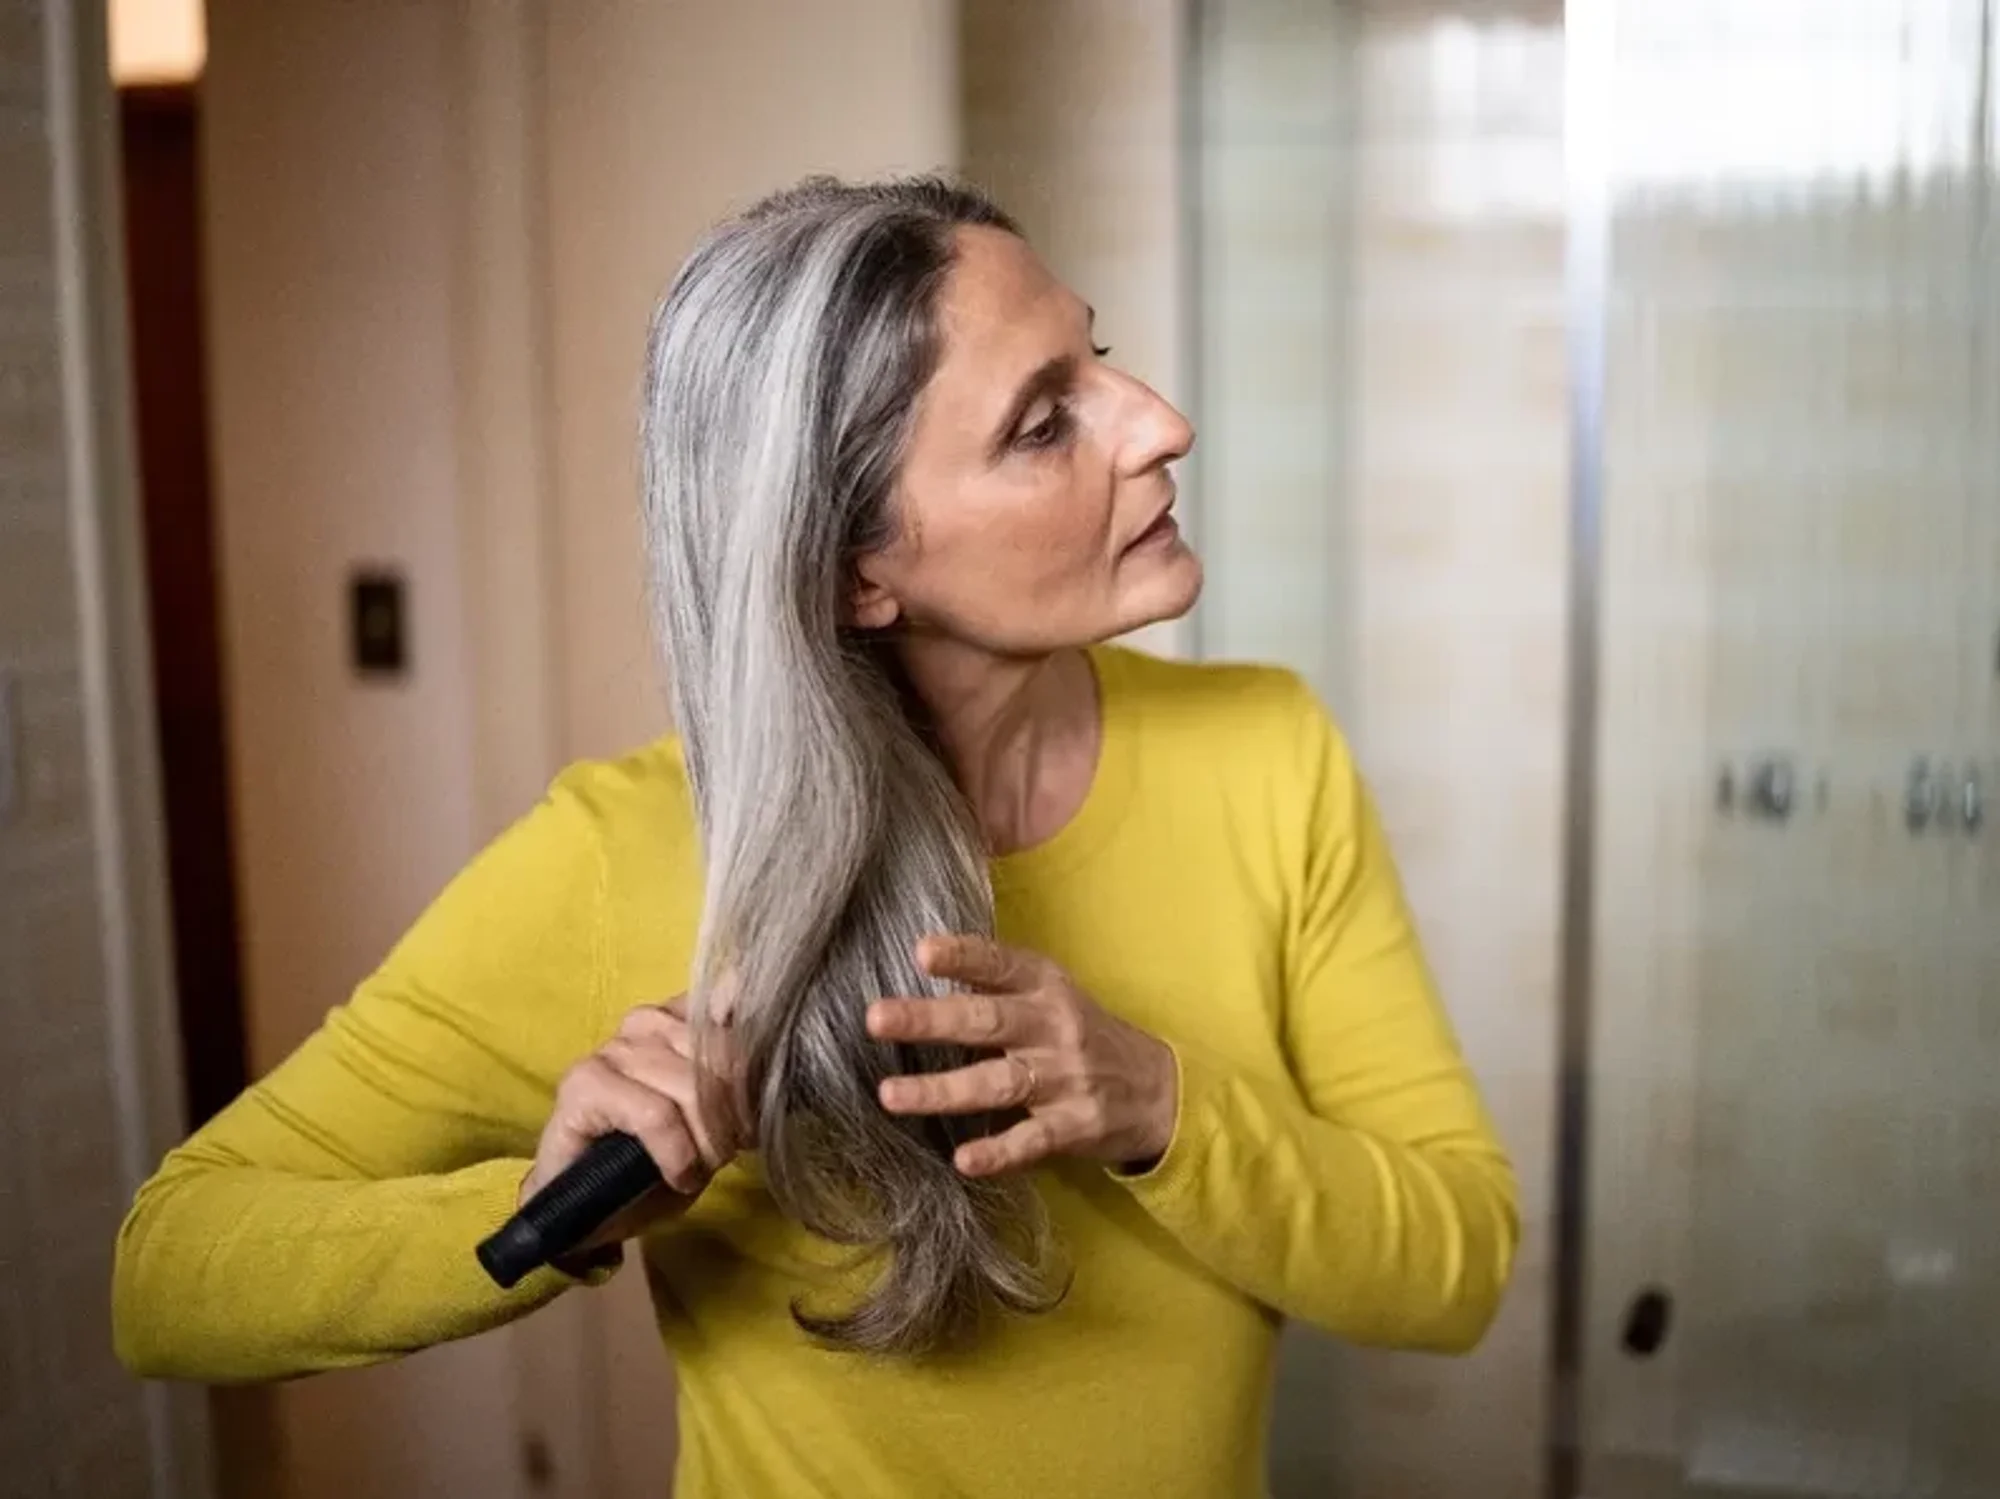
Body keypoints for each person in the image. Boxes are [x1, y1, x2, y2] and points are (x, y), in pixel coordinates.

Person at [113, 176, 1517, 1498]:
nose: (1156, 422)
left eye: (1100, 360)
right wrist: (546, 1213)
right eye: (1045, 421)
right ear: (856, 572)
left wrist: (1157, 1102)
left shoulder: (1268, 752)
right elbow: (169, 1277)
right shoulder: (627, 854)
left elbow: (1453, 1268)